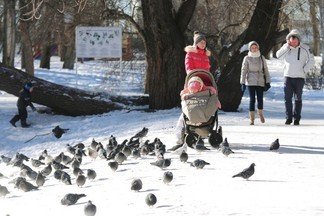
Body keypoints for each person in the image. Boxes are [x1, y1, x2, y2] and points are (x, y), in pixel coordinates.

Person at [276, 29, 315, 125]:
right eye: (291, 39)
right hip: (288, 77)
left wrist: (304, 70)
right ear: (288, 40)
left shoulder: (305, 48)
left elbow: (312, 60)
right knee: (287, 98)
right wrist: (287, 47)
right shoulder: (285, 47)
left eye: (295, 39)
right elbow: (278, 56)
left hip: (299, 78)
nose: (293, 41)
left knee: (298, 99)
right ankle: (288, 118)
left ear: (298, 40)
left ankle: (297, 118)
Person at [240, 41, 271, 125]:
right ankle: (252, 118)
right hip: (250, 81)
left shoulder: (261, 57)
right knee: (252, 100)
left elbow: (266, 70)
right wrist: (242, 82)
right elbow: (244, 71)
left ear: (258, 48)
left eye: (256, 47)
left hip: (260, 80)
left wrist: (268, 82)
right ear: (250, 49)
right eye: (252, 48)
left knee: (260, 99)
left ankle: (260, 114)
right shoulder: (247, 58)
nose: (254, 49)